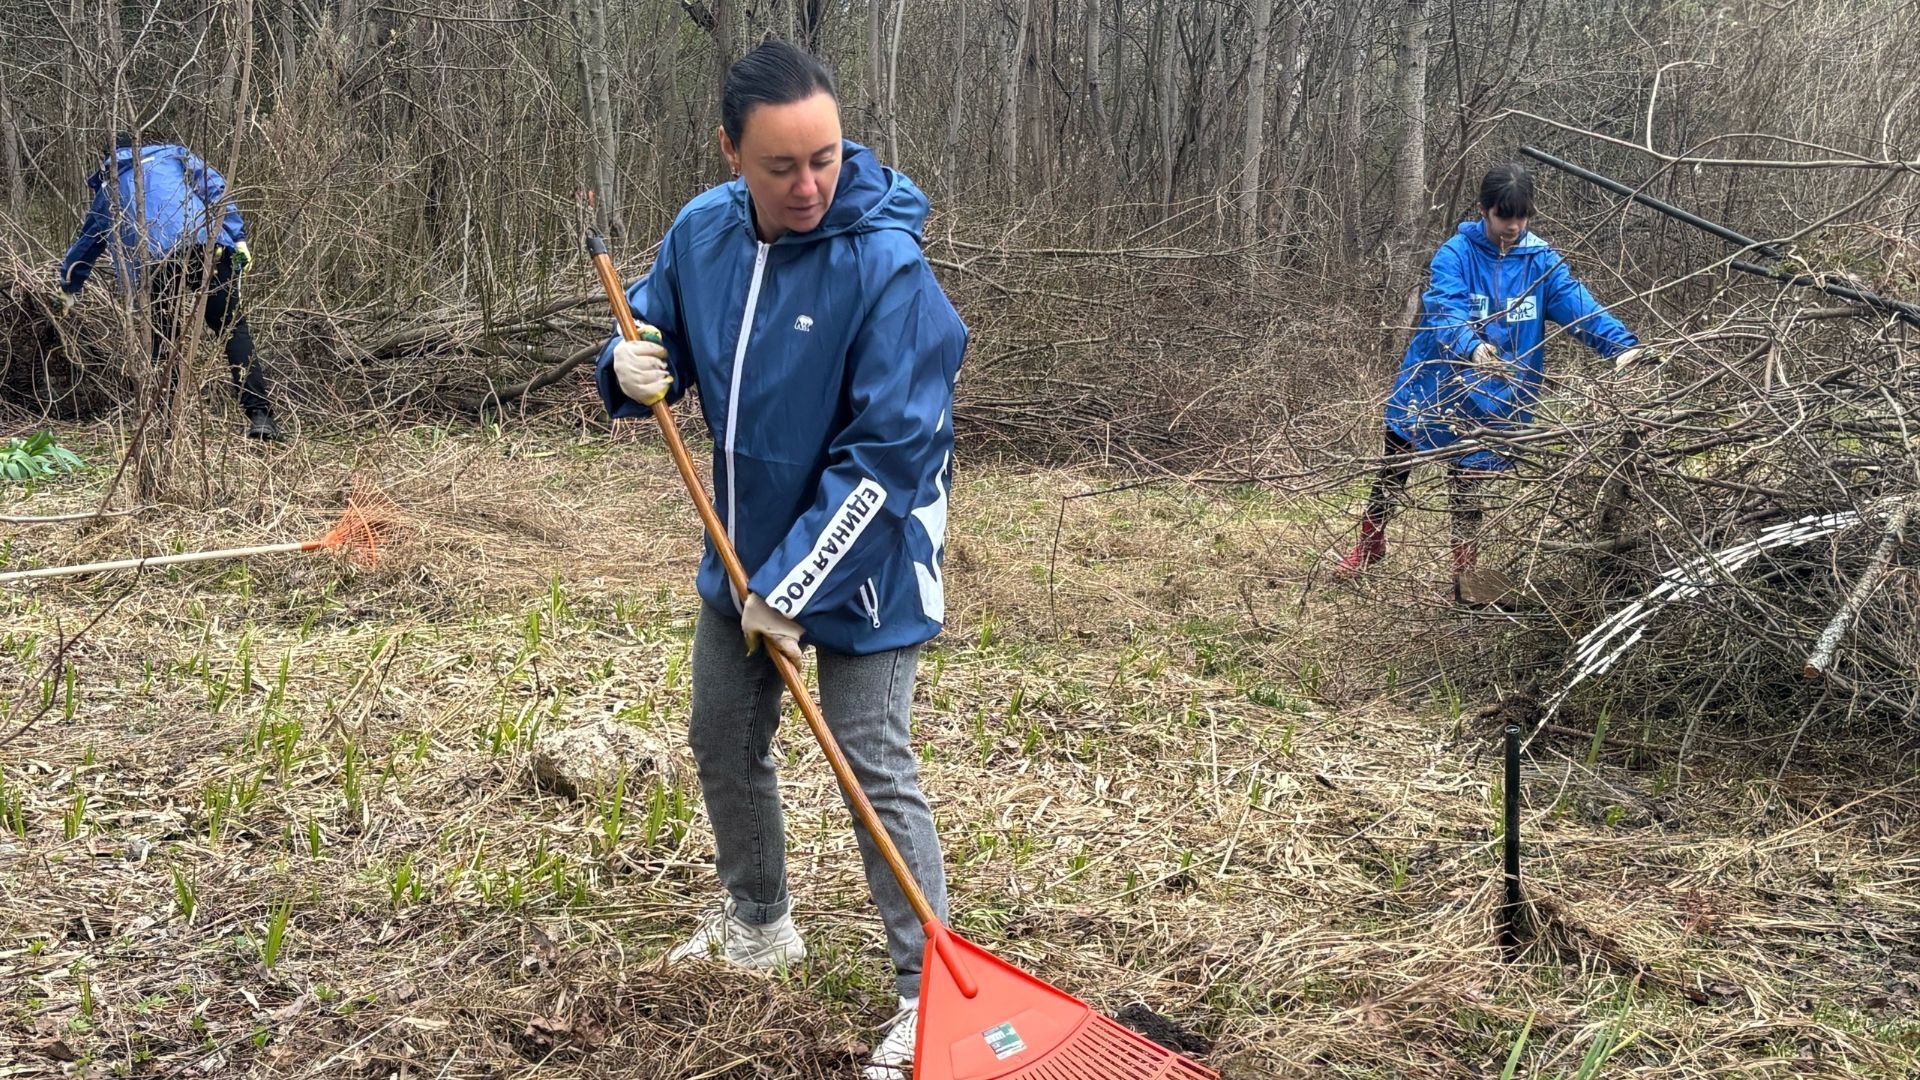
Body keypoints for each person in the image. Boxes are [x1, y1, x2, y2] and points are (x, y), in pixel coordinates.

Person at [594, 42, 965, 1079]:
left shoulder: (889, 267)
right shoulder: (702, 233)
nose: (809, 187)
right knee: (720, 732)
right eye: (781, 167)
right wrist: (623, 371)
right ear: (731, 154)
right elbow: (653, 331)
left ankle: (927, 993)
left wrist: (792, 590)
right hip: (743, 544)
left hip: (873, 554)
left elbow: (890, 457)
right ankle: (759, 921)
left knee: (865, 759)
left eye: (827, 159)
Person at [1336, 161, 1650, 602]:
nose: (1513, 226)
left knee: (1467, 479)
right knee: (1397, 458)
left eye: (1521, 216)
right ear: (1484, 210)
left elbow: (1578, 305)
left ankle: (1465, 574)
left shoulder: (1540, 261)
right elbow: (1445, 308)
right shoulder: (1456, 254)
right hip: (1436, 379)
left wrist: (1621, 347)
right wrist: (1472, 346)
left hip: (1494, 393)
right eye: (1505, 216)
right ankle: (1371, 543)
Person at [56, 133, 283, 441]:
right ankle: (260, 417)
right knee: (231, 328)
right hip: (207, 246)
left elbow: (86, 247)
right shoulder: (173, 156)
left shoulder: (107, 191)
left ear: (108, 159)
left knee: (164, 340)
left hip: (154, 267)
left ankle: (166, 422)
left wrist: (68, 287)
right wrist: (236, 236)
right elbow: (215, 189)